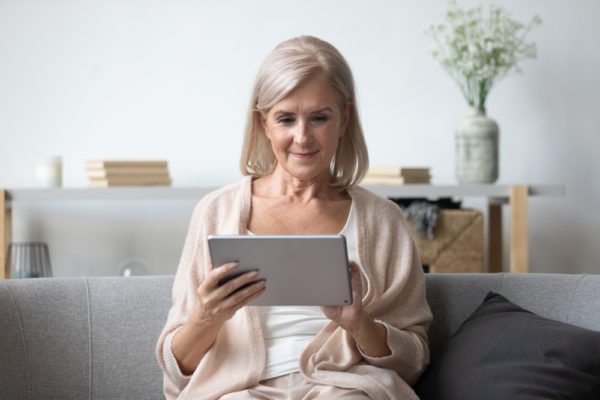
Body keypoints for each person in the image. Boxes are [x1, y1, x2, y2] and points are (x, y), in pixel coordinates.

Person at [156, 35, 432, 400]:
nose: (302, 137)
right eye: (286, 119)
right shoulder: (216, 212)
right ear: (263, 122)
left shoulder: (383, 221)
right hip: (240, 390)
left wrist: (358, 323)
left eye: (319, 118)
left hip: (346, 386)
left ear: (344, 118)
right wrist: (208, 316)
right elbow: (176, 372)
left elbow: (412, 362)